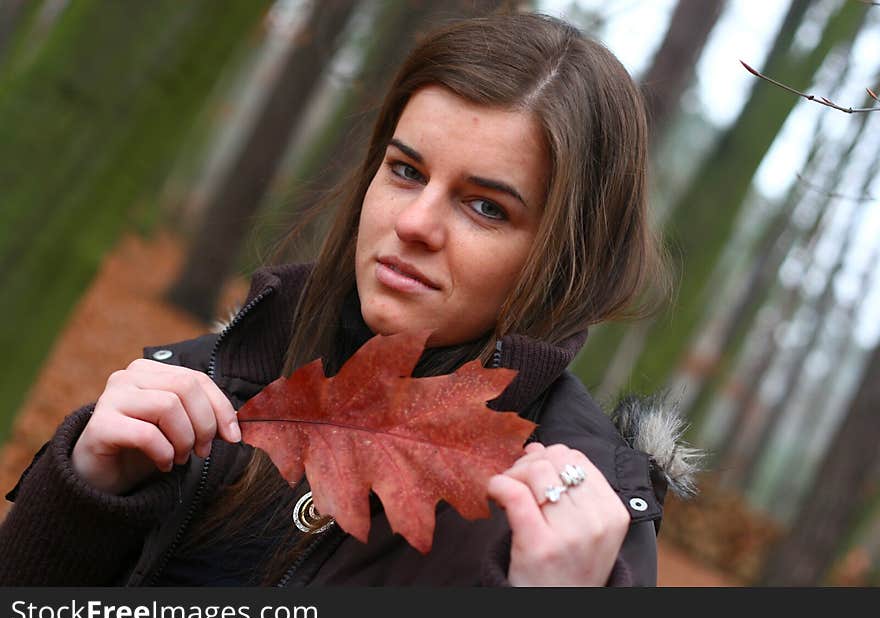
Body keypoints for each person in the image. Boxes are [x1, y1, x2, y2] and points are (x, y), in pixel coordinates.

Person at [0, 11, 697, 587]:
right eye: (405, 170)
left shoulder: (580, 529)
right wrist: (81, 500)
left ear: (565, 261)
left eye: (485, 206)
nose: (415, 223)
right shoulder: (211, 387)